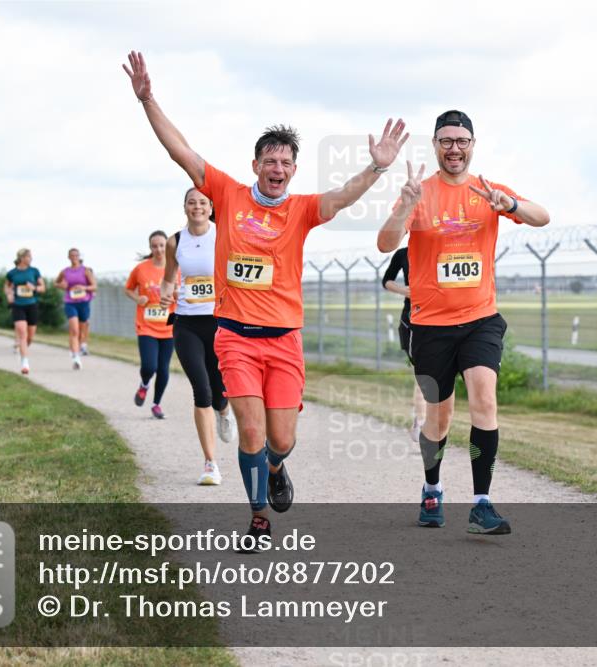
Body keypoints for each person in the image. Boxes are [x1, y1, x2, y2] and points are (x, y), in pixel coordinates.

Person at [124, 50, 408, 548]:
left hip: (284, 341)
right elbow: (181, 151)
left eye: (285, 162)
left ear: (294, 170)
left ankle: (277, 467)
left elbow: (341, 195)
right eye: (269, 160)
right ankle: (258, 518)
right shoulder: (228, 194)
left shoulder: (300, 210)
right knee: (250, 436)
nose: (277, 167)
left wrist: (376, 169)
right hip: (233, 337)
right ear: (255, 165)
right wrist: (148, 99)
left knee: (281, 440)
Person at [377, 110, 550, 534]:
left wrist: (509, 205)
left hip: (480, 319)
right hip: (431, 325)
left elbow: (541, 216)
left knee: (485, 399)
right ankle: (432, 488)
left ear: (472, 145)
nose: (454, 148)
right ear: (435, 145)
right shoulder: (421, 193)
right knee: (439, 418)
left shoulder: (487, 190)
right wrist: (406, 209)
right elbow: (385, 242)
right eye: (446, 140)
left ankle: (481, 503)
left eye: (462, 140)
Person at [160, 187, 236, 486]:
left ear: (210, 207)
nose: (197, 207)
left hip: (219, 321)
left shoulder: (223, 234)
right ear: (185, 207)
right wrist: (165, 296)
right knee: (201, 391)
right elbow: (168, 279)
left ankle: (225, 409)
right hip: (186, 323)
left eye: (202, 203)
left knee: (219, 390)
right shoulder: (175, 241)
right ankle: (210, 463)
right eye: (192, 203)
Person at [125, 231, 177, 419]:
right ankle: (144, 384)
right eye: (155, 246)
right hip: (146, 326)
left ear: (168, 246)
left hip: (169, 327)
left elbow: (182, 294)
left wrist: (175, 295)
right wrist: (138, 298)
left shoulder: (176, 269)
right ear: (150, 248)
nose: (159, 249)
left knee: (163, 368)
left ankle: (156, 404)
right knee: (149, 366)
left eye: (162, 245)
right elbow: (128, 289)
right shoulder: (141, 269)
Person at [381, 246, 426, 443]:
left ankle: (431, 420)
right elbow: (387, 280)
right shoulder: (403, 254)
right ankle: (421, 422)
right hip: (412, 319)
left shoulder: (440, 247)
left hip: (442, 318)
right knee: (423, 373)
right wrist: (404, 290)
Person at [5, 248, 46, 374]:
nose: (30, 259)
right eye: (28, 256)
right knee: (22, 333)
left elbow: (43, 288)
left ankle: (24, 351)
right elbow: (7, 286)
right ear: (21, 258)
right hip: (18, 305)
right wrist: (9, 294)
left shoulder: (34, 271)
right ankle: (25, 363)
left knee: (30, 336)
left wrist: (34, 287)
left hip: (31, 305)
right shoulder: (12, 273)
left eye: (31, 256)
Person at [55, 249, 97, 370]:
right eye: (72, 255)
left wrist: (84, 287)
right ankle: (76, 357)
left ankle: (79, 347)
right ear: (68, 257)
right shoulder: (65, 271)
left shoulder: (86, 271)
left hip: (83, 303)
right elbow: (56, 283)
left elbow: (94, 286)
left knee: (82, 330)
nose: (74, 257)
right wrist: (61, 285)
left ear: (79, 257)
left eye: (76, 255)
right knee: (74, 330)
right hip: (70, 303)